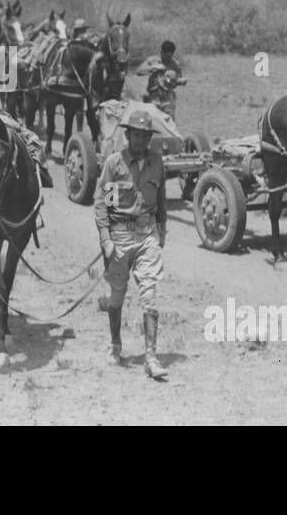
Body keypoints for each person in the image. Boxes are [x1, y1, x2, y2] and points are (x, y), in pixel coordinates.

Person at [94, 108, 168, 379]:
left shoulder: (157, 163)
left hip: (147, 234)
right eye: (135, 135)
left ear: (149, 138)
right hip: (120, 237)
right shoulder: (115, 164)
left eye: (144, 136)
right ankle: (115, 344)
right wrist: (106, 239)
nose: (140, 141)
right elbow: (102, 204)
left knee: (150, 297)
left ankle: (151, 356)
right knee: (116, 296)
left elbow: (161, 200)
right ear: (127, 135)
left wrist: (162, 232)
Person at [135, 40, 187, 118]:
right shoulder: (153, 60)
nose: (166, 58)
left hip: (167, 99)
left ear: (172, 54)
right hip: (152, 98)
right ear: (161, 52)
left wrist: (181, 81)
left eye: (169, 56)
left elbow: (178, 79)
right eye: (164, 55)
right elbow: (139, 71)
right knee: (149, 122)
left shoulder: (175, 64)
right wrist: (153, 68)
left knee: (168, 123)